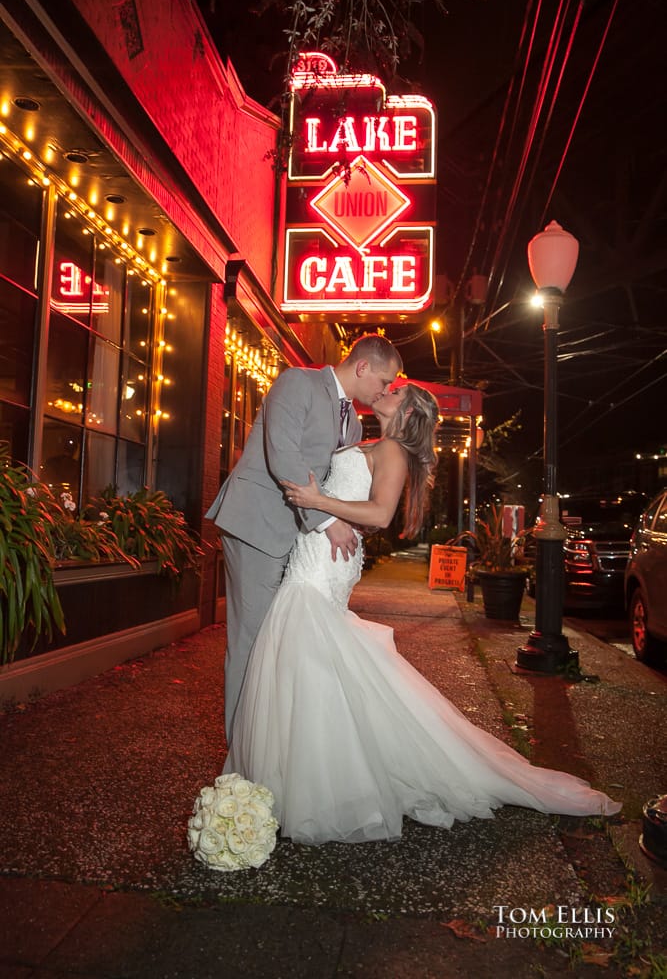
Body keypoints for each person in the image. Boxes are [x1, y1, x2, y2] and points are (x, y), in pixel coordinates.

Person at [223, 382, 622, 845]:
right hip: (315, 552)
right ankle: (304, 776)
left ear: (408, 412)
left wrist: (319, 505)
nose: (385, 391)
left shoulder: (393, 450)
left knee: (306, 650)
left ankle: (312, 783)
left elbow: (380, 514)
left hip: (323, 563)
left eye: (394, 391)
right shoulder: (369, 440)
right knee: (310, 659)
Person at [205, 333, 403, 740]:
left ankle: (267, 744)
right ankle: (239, 754)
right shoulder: (298, 382)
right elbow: (283, 455)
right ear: (363, 366)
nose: (385, 390)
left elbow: (333, 482)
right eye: (384, 381)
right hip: (257, 524)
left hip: (298, 542)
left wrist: (355, 516)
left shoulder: (353, 422)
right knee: (252, 642)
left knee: (279, 643)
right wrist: (328, 522)